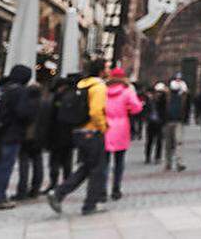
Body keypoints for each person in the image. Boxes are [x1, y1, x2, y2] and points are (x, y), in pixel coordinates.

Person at [48, 57, 109, 216]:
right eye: (107, 68)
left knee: (86, 167)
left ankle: (58, 194)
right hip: (92, 132)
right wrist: (103, 127)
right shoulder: (99, 87)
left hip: (78, 131)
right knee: (97, 169)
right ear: (101, 71)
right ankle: (90, 205)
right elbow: (96, 111)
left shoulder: (81, 84)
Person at [0, 64, 38, 210]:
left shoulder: (3, 89)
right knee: (6, 165)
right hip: (12, 133)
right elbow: (22, 113)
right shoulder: (20, 92)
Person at [103, 68, 142, 200]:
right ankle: (116, 190)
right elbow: (137, 107)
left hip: (106, 127)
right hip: (121, 129)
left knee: (105, 162)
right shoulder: (127, 91)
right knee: (119, 162)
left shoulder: (103, 90)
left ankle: (102, 190)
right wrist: (128, 109)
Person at [12, 82, 47, 200]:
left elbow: (21, 116)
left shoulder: (26, 104)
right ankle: (35, 189)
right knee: (38, 163)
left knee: (24, 164)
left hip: (26, 137)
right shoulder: (44, 103)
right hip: (40, 137)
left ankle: (22, 190)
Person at [43, 76, 76, 192]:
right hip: (69, 135)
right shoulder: (74, 96)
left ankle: (54, 183)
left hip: (56, 134)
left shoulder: (58, 97)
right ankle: (67, 182)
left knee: (55, 161)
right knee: (66, 160)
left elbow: (51, 117)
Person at [162, 77, 189, 171]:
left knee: (174, 144)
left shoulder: (181, 98)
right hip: (172, 121)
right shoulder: (167, 97)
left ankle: (176, 163)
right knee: (174, 144)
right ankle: (171, 163)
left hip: (174, 121)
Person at [144, 84, 166, 164]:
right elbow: (145, 109)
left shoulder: (163, 101)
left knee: (159, 141)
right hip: (151, 122)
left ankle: (158, 157)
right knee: (149, 141)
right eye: (157, 92)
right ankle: (147, 156)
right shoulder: (150, 100)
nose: (158, 94)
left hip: (159, 123)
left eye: (160, 92)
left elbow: (165, 110)